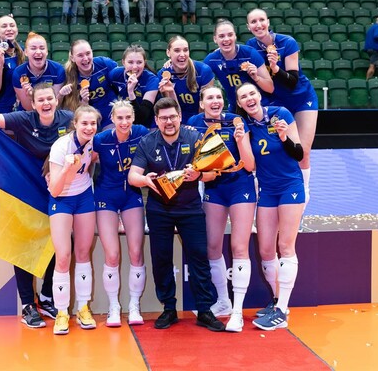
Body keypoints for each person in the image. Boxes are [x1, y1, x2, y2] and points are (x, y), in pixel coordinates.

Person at [0, 83, 73, 328]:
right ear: (32, 104)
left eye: (49, 99)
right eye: (40, 100)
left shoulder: (69, 119)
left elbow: (87, 135)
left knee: (58, 243)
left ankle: (47, 296)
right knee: (24, 245)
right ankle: (28, 305)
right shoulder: (23, 119)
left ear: (56, 100)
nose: (46, 103)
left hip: (56, 191)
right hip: (25, 190)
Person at [127, 97, 225, 332]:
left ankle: (204, 310)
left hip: (190, 208)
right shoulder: (147, 142)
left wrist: (199, 175)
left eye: (172, 117)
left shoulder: (195, 137)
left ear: (180, 117)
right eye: (163, 118)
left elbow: (215, 171)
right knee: (161, 259)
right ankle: (169, 309)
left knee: (199, 257)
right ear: (156, 120)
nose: (169, 122)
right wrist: (146, 181)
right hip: (159, 209)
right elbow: (132, 176)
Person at [235, 82, 305, 331]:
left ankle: (282, 311)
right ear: (240, 104)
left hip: (290, 187)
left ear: (259, 96)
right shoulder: (246, 127)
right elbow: (251, 166)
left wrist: (284, 137)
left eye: (252, 93)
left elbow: (299, 154)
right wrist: (241, 141)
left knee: (285, 246)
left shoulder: (280, 114)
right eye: (243, 97)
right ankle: (277, 301)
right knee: (265, 250)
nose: (249, 98)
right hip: (267, 190)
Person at [188, 85, 256, 332]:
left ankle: (237, 312)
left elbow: (250, 165)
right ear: (202, 103)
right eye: (210, 98)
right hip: (214, 189)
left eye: (218, 97)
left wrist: (240, 140)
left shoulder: (236, 121)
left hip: (240, 187)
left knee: (239, 247)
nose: (215, 101)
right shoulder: (194, 123)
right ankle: (223, 301)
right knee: (212, 247)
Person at [245, 8, 318, 212]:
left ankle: (303, 193)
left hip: (301, 98)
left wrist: (275, 68)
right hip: (274, 99)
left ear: (268, 22)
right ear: (248, 27)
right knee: (272, 149)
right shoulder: (250, 47)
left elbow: (292, 81)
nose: (258, 25)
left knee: (302, 150)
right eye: (253, 22)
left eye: (261, 20)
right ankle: (267, 195)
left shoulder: (287, 42)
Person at [92, 99, 150, 327]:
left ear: (133, 118)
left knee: (136, 252)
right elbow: (85, 158)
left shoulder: (141, 133)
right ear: (112, 119)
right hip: (106, 195)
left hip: (132, 195)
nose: (124, 122)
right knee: (112, 255)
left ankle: (134, 305)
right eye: (120, 118)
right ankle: (113, 306)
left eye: (128, 117)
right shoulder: (101, 139)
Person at [48, 105, 100, 335]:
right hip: (62, 199)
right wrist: (68, 168)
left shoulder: (94, 142)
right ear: (75, 124)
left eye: (93, 123)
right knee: (63, 256)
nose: (89, 127)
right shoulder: (61, 147)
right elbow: (54, 190)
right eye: (84, 123)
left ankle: (83, 308)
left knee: (83, 252)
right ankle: (61, 312)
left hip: (84, 196)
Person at [203, 19, 274, 114]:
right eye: (221, 36)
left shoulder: (250, 54)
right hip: (235, 110)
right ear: (215, 39)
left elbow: (270, 88)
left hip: (259, 106)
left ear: (235, 36)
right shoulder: (211, 60)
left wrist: (256, 78)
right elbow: (205, 93)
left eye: (230, 35)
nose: (226, 39)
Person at [61, 39, 120, 130]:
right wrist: (84, 102)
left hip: (109, 114)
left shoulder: (104, 64)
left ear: (92, 53)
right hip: (87, 118)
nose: (85, 58)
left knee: (110, 135)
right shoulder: (68, 75)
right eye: (80, 55)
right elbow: (72, 109)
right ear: (72, 58)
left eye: (88, 53)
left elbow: (122, 78)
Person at [157, 35, 215, 124]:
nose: (182, 54)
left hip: (200, 121)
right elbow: (171, 109)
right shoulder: (163, 74)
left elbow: (204, 108)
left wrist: (194, 127)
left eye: (185, 50)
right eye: (177, 50)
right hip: (176, 121)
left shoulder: (203, 71)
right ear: (168, 53)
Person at [108, 44, 160, 127]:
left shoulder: (152, 80)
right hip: (123, 120)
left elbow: (142, 118)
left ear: (144, 63)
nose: (135, 67)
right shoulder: (115, 75)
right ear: (123, 62)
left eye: (139, 62)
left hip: (147, 124)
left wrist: (130, 92)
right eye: (130, 62)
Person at [12, 32, 66, 111]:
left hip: (51, 112)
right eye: (33, 48)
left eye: (42, 48)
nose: (38, 52)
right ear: (26, 52)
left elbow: (55, 104)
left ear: (47, 52)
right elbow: (28, 108)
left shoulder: (58, 69)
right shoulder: (18, 73)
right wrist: (30, 96)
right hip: (27, 114)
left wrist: (33, 95)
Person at [363, 15, 378, 80]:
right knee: (372, 65)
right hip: (375, 49)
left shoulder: (371, 28)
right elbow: (376, 36)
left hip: (370, 49)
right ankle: (367, 81)